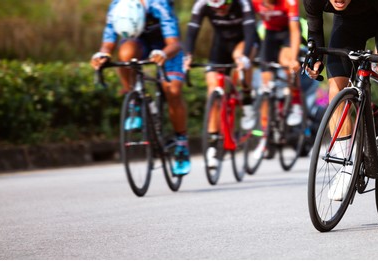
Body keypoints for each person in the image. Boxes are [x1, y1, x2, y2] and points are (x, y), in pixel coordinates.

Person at [304, 0, 378, 201]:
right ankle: (345, 165)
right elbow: (314, 31)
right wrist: (314, 60)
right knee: (336, 88)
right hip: (348, 26)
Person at [90, 0, 191, 176]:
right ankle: (135, 99)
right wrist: (102, 55)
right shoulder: (117, 7)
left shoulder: (158, 5)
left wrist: (164, 54)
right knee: (125, 55)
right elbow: (108, 43)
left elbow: (175, 43)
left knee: (173, 91)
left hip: (165, 45)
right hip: (137, 42)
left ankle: (181, 143)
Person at [183, 0, 258, 167]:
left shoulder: (243, 3)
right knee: (213, 88)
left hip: (244, 42)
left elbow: (250, 32)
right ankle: (213, 142)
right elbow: (191, 32)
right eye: (216, 8)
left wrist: (245, 57)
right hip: (220, 45)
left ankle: (247, 98)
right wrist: (188, 56)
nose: (220, 11)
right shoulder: (202, 4)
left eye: (223, 6)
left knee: (240, 64)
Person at [252, 0, 303, 126]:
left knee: (286, 62)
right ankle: (266, 129)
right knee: (265, 78)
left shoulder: (289, 2)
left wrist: (293, 58)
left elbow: (295, 32)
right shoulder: (254, 2)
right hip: (270, 33)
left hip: (289, 32)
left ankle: (296, 103)